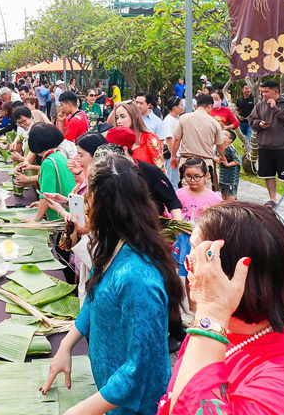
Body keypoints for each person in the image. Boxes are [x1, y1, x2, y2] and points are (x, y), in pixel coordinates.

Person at [157, 202, 284, 415]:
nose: (189, 271)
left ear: (235, 275)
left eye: (197, 260)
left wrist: (212, 310)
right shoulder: (217, 329)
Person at [43, 153, 184, 415]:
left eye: (88, 203)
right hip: (109, 396)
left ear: (101, 206)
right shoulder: (112, 243)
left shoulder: (138, 277)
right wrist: (65, 346)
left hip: (132, 407)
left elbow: (138, 371)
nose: (83, 210)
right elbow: (95, 299)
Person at [248, 79, 284, 211]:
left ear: (276, 91)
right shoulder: (260, 105)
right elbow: (251, 119)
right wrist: (259, 124)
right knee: (268, 175)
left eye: (266, 92)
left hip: (282, 146)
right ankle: (272, 199)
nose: (263, 95)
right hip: (264, 146)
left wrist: (275, 108)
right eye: (262, 92)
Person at [105, 126, 182, 219]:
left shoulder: (150, 171)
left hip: (151, 225)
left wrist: (178, 228)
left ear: (124, 149)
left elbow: (172, 201)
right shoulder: (108, 172)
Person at [20, 123, 76, 221]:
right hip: (69, 210)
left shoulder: (48, 163)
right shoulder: (59, 154)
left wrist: (36, 220)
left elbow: (46, 196)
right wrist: (41, 204)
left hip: (60, 219)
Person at [170, 93, 226, 190]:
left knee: (186, 191)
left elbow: (177, 139)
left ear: (197, 105)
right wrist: (223, 156)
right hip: (205, 162)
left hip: (187, 161)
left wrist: (173, 155)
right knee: (205, 192)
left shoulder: (184, 118)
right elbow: (220, 145)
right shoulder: (214, 123)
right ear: (210, 106)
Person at [113, 101, 165, 169]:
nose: (118, 121)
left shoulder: (150, 139)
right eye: (117, 117)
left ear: (135, 116)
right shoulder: (116, 141)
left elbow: (161, 171)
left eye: (123, 117)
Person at [177, 157, 222, 222]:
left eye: (197, 176)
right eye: (188, 176)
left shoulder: (215, 199)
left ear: (206, 176)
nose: (192, 180)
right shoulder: (179, 194)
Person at [160, 96, 184, 190]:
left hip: (175, 153)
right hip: (171, 154)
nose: (182, 107)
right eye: (181, 105)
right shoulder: (169, 121)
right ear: (175, 107)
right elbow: (169, 139)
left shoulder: (176, 119)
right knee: (173, 181)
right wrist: (173, 155)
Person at [220, 131, 241, 202]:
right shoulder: (219, 147)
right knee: (223, 191)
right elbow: (215, 156)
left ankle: (231, 205)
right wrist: (217, 159)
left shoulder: (231, 149)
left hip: (231, 176)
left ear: (230, 140)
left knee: (229, 193)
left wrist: (228, 164)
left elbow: (238, 160)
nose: (221, 135)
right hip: (223, 175)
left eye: (224, 134)